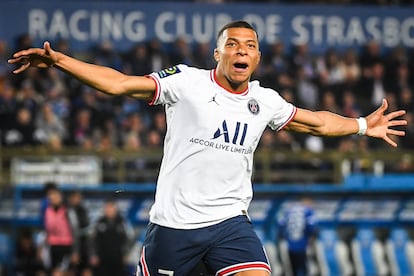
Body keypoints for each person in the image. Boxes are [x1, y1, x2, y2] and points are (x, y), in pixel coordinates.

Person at [8, 20, 407, 276]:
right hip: (173, 228)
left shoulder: (264, 100)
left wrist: (360, 125)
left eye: (249, 46)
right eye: (232, 45)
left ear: (258, 58)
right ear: (217, 54)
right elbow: (119, 83)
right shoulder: (186, 82)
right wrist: (61, 61)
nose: (241, 51)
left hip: (230, 224)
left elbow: (316, 121)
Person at [89, 200, 132, 276]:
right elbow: (93, 240)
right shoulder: (99, 222)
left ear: (115, 209)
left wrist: (126, 254)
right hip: (102, 258)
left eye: (111, 208)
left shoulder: (122, 222)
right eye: (107, 208)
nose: (109, 211)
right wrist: (94, 254)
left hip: (118, 258)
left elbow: (129, 238)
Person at [278, 198, 318, 276]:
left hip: (290, 245)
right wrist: (312, 238)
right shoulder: (308, 211)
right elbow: (312, 226)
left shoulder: (288, 211)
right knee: (305, 269)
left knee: (293, 270)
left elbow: (281, 225)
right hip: (303, 244)